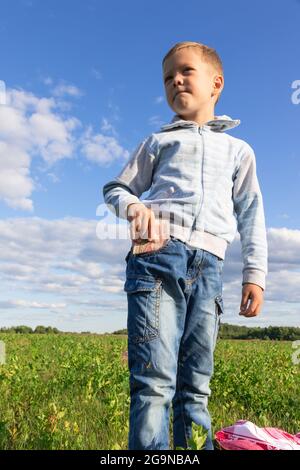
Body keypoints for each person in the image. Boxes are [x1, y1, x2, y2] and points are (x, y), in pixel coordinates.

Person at [102, 41, 268, 450]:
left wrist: (255, 275)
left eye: (185, 71)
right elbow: (115, 187)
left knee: (195, 385)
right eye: (167, 78)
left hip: (209, 268)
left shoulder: (238, 150)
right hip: (156, 261)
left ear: (216, 83)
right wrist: (134, 207)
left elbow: (251, 214)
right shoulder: (158, 142)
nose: (175, 80)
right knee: (154, 382)